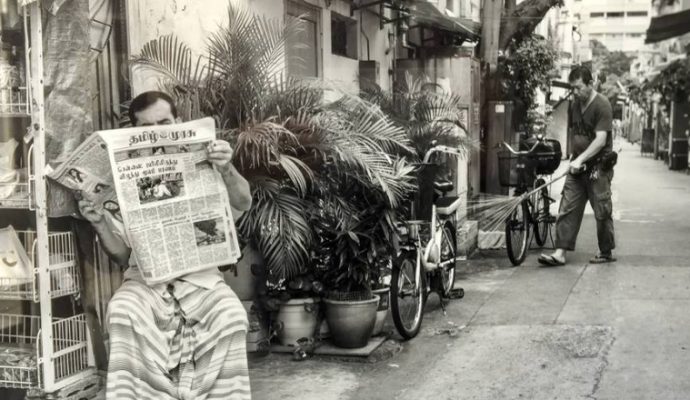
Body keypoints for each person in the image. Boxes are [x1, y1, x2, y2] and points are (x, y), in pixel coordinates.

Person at [77, 91, 253, 400]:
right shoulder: (123, 175)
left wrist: (226, 168)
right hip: (146, 283)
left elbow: (244, 201)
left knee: (231, 315)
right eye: (146, 127)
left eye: (164, 123)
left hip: (202, 282)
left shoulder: (208, 157)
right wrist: (99, 221)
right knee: (121, 310)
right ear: (135, 133)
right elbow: (121, 255)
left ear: (178, 123)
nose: (156, 132)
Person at [539, 66, 616, 267]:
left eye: (579, 87)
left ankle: (605, 251)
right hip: (577, 165)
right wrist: (574, 158)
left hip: (598, 167)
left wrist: (580, 159)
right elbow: (575, 134)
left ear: (590, 84)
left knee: (601, 210)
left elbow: (600, 140)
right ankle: (560, 252)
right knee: (567, 207)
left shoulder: (602, 105)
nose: (575, 92)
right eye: (572, 88)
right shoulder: (574, 105)